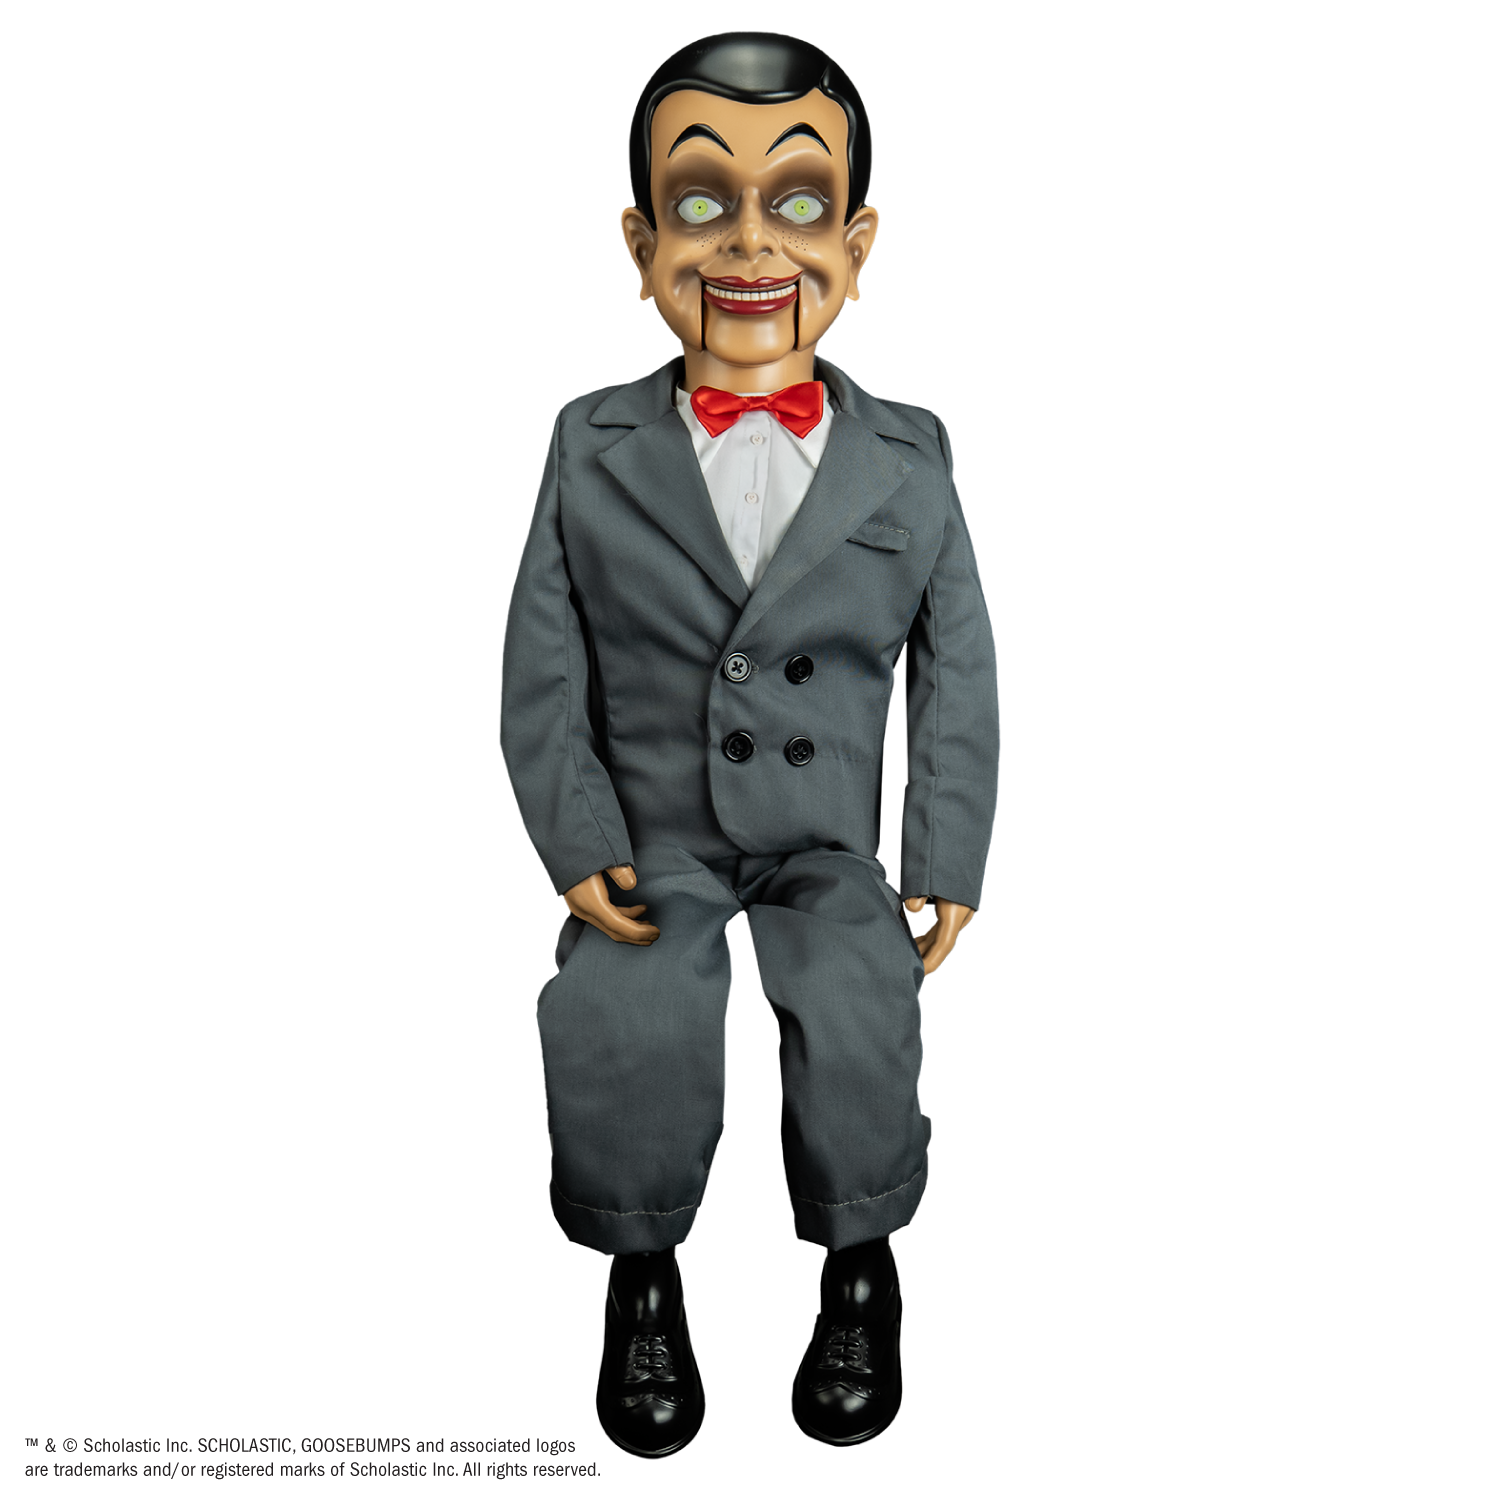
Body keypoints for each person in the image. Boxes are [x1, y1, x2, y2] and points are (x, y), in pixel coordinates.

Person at [498, 31, 999, 1456]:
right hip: (654, 842)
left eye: (799, 202)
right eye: (704, 202)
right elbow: (542, 662)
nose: (750, 244)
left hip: (829, 843)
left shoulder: (913, 451)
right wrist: (578, 840)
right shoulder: (587, 442)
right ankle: (642, 1288)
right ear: (642, 246)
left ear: (857, 247)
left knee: (857, 1010)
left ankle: (862, 1276)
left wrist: (943, 856)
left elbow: (959, 670)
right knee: (622, 1017)